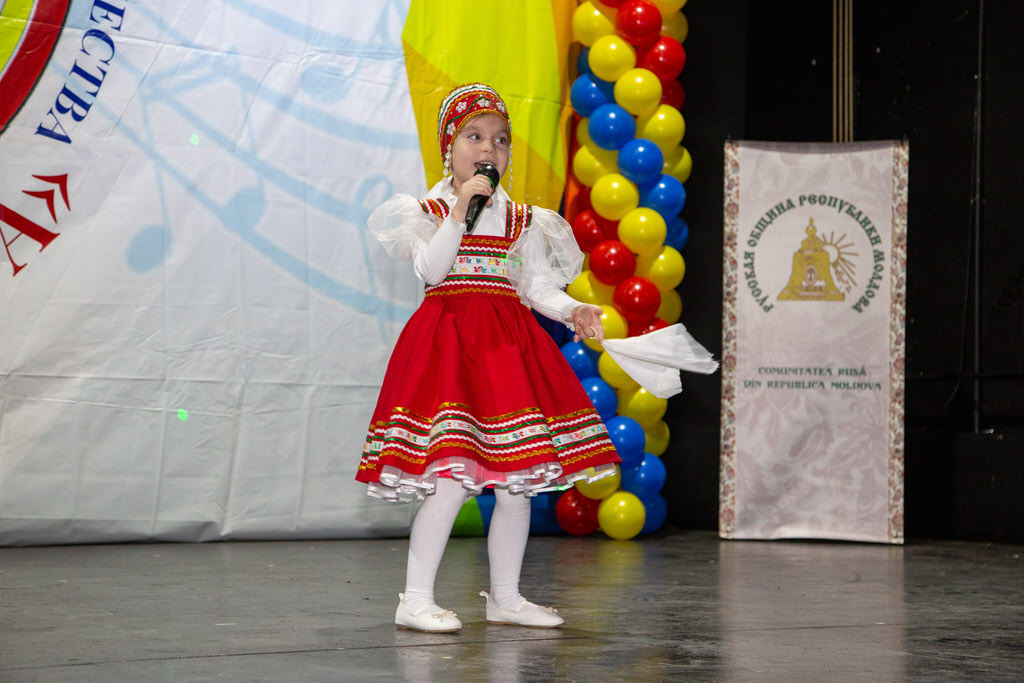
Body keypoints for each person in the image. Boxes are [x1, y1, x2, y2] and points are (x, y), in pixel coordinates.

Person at [356, 83, 621, 633]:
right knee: (452, 479)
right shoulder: (430, 211)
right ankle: (415, 598)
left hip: (505, 351)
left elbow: (535, 286)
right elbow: (433, 270)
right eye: (474, 136)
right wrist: (459, 212)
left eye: (500, 140)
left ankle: (506, 598)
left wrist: (572, 309)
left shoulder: (523, 219)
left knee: (517, 482)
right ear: (449, 148)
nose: (488, 148)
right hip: (451, 350)